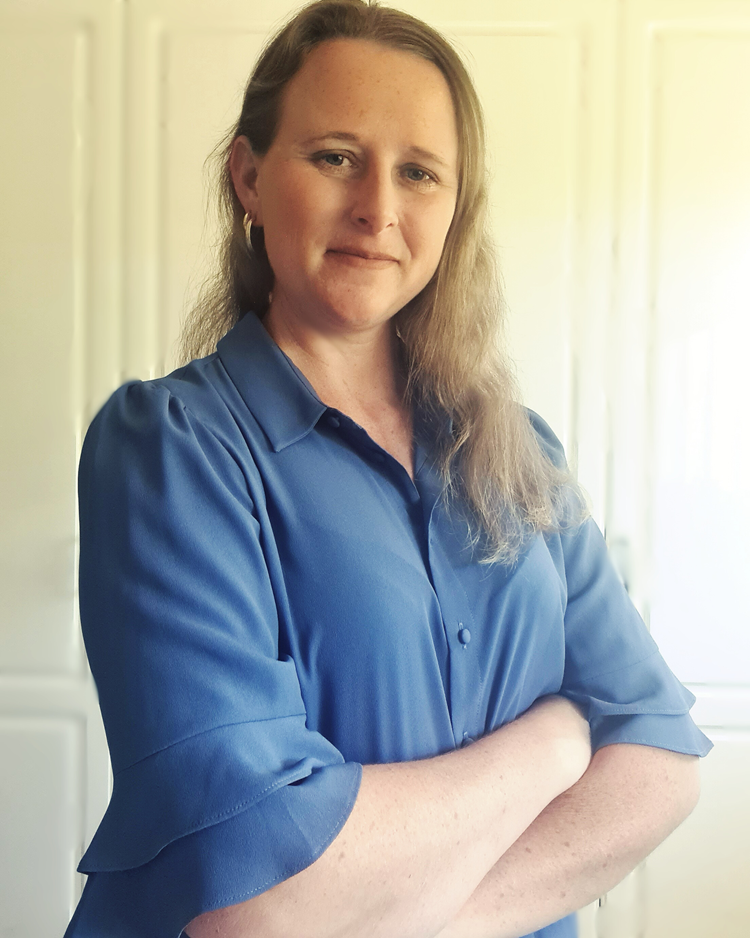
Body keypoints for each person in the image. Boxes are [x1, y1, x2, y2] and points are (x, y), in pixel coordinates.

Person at [63, 1, 712, 937]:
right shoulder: (172, 449)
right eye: (335, 157)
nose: (378, 208)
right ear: (249, 175)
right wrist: (558, 740)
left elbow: (660, 765)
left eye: (419, 172)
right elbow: (256, 900)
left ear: (454, 210)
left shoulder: (519, 454)